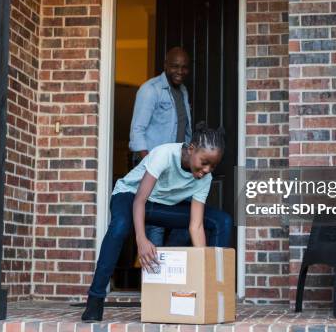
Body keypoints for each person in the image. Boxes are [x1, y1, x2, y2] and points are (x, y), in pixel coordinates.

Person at [81, 123, 232, 322]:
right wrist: (141, 240)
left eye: (212, 166)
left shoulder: (204, 179)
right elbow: (139, 201)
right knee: (119, 227)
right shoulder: (165, 154)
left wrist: (202, 267)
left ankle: (212, 295)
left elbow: (195, 225)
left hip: (161, 207)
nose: (207, 170)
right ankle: (95, 298)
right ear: (191, 149)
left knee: (222, 220)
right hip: (130, 196)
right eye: (204, 162)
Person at [129, 47, 192, 246]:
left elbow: (185, 129)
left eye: (184, 67)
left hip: (179, 169)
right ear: (165, 66)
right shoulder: (150, 90)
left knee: (188, 220)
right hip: (156, 169)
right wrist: (151, 165)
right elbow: (137, 131)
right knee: (155, 226)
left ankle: (168, 265)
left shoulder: (183, 91)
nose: (180, 71)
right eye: (175, 66)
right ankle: (155, 274)